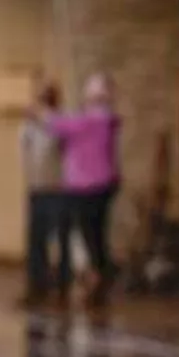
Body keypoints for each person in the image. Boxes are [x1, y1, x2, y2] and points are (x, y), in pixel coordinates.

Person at [45, 72, 121, 307]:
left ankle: (96, 274)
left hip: (85, 186)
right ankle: (97, 272)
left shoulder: (92, 121)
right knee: (96, 231)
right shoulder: (105, 121)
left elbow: (57, 124)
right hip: (102, 183)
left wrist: (43, 110)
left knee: (87, 231)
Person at [20, 82, 70, 307]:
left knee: (59, 238)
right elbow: (24, 150)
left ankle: (62, 282)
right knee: (36, 238)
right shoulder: (29, 126)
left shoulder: (60, 122)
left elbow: (60, 141)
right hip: (37, 187)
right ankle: (36, 282)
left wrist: (41, 119)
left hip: (58, 188)